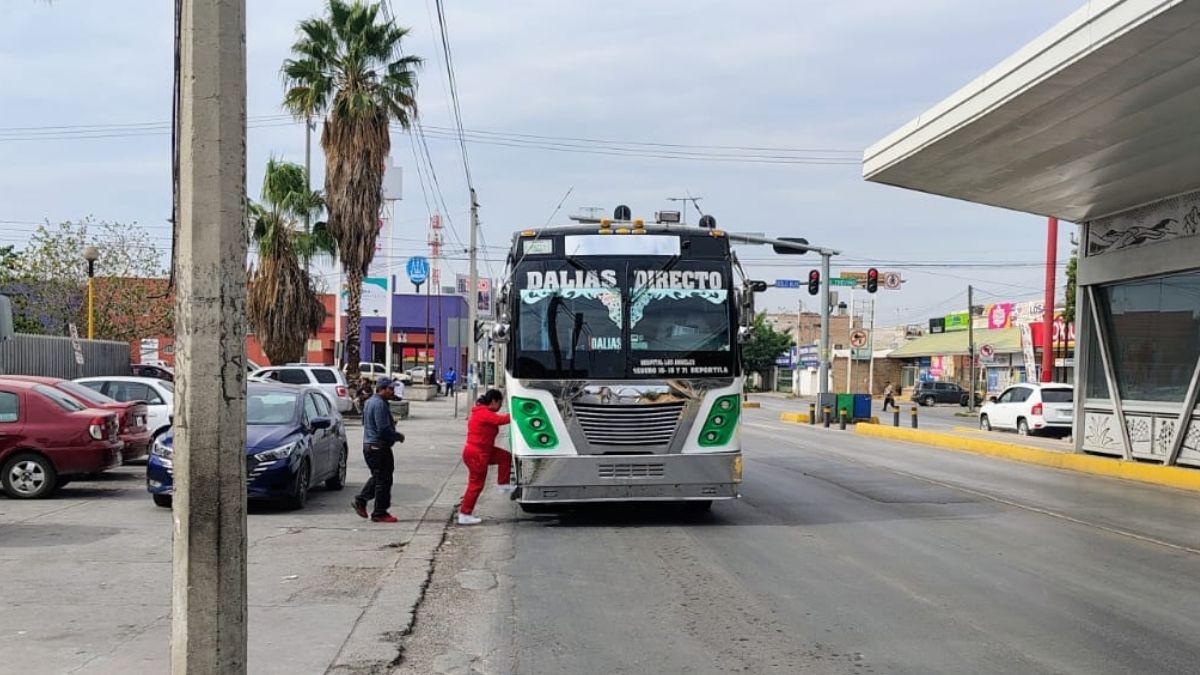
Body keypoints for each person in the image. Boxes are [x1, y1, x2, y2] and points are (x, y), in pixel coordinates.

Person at [457, 389, 513, 525]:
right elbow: (502, 420)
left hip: (482, 450)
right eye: (500, 403)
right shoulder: (483, 413)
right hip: (478, 453)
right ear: (494, 401)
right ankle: (465, 513)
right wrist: (519, 413)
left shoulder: (480, 411)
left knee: (505, 456)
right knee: (476, 485)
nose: (500, 406)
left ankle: (503, 484)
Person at [353, 378, 405, 523]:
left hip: (370, 446)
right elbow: (382, 429)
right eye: (390, 389)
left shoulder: (370, 402)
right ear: (381, 389)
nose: (392, 391)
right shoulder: (379, 404)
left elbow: (367, 422)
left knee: (379, 476)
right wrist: (397, 436)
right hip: (378, 446)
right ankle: (379, 512)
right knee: (384, 479)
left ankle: (362, 501)